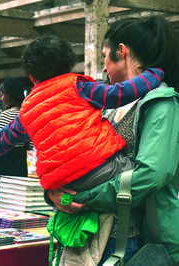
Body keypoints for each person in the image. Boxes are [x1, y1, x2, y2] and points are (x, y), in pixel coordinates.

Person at [47, 16, 179, 264]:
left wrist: (83, 197)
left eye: (105, 56)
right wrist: (53, 191)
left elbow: (152, 173)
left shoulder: (161, 103)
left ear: (122, 51)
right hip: (90, 236)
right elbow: (75, 156)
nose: (104, 68)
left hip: (131, 241)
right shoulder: (107, 106)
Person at [0, 34, 163, 193]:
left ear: (32, 77)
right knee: (138, 176)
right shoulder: (79, 87)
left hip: (63, 184)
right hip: (103, 169)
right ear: (69, 68)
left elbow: (8, 136)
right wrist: (154, 74)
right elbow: (120, 93)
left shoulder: (28, 108)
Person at [0, 78, 28, 198]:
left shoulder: (5, 115)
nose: (1, 99)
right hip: (21, 166)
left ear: (9, 96)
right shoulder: (26, 114)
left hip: (4, 166)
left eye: (2, 95)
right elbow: (31, 145)